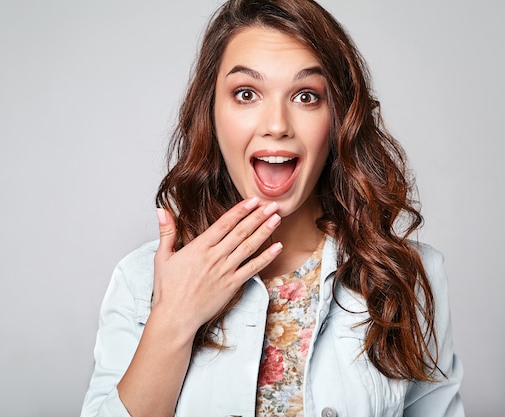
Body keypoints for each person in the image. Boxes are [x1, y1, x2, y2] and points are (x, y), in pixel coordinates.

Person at [80, 0, 465, 416]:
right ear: (210, 113)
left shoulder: (402, 277)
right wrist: (173, 318)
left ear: (338, 117)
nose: (277, 124)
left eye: (305, 96)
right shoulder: (141, 281)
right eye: (246, 94)